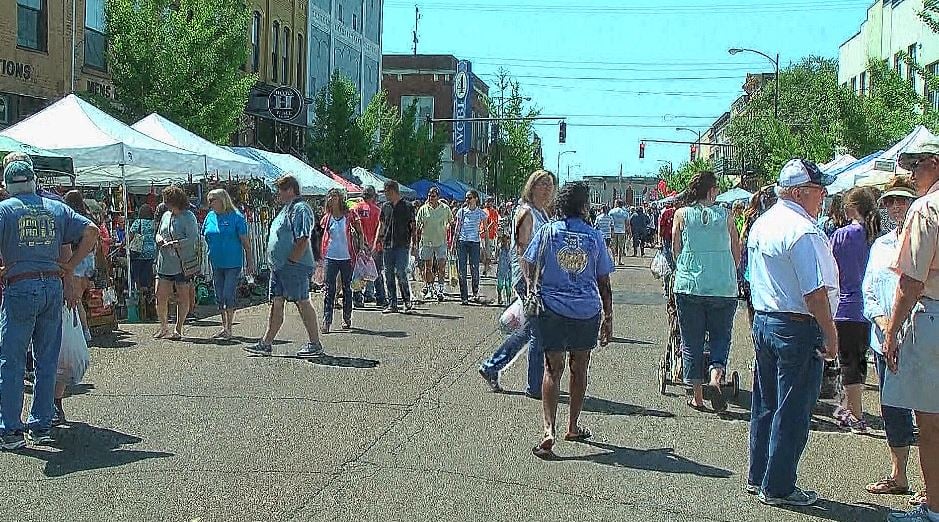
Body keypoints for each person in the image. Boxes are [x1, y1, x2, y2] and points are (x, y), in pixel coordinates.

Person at [746, 158, 839, 506]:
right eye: (819, 191)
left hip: (768, 320)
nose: (823, 197)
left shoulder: (764, 224)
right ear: (801, 192)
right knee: (793, 409)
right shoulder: (802, 230)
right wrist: (831, 334)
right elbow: (813, 292)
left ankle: (760, 476)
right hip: (796, 325)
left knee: (766, 404)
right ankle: (779, 485)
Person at [0, 156, 99, 449]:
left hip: (20, 286)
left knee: (12, 360)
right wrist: (70, 266)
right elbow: (92, 231)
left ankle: (11, 429)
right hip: (51, 286)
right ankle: (41, 424)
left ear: (7, 184)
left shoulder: (5, 211)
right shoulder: (56, 207)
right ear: (33, 180)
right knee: (46, 360)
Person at [529, 182, 614, 459]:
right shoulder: (594, 237)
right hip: (586, 310)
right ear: (583, 206)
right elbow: (604, 280)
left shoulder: (547, 232)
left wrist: (535, 285)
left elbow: (529, 260)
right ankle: (573, 426)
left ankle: (548, 430)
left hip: (552, 307)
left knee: (552, 369)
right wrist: (608, 316)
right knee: (579, 368)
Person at [882, 139, 939, 522]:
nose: (912, 174)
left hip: (932, 315)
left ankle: (934, 507)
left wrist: (891, 329)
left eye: (917, 166)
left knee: (931, 422)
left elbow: (912, 280)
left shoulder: (926, 209)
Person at [861, 176, 926, 505]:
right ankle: (899, 474)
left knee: (926, 411)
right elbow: (868, 289)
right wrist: (884, 324)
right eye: (890, 201)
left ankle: (932, 484)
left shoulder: (924, 238)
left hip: (919, 336)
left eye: (902, 200)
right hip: (884, 339)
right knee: (893, 409)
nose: (896, 206)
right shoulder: (880, 245)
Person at [479, 170, 555, 397]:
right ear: (532, 186)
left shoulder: (543, 212)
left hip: (541, 276)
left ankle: (491, 366)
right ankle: (534, 386)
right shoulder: (526, 212)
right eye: (542, 184)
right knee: (538, 332)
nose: (547, 188)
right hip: (527, 277)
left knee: (530, 329)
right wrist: (529, 282)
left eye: (549, 185)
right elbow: (522, 248)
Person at [671, 171, 740, 412]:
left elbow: (676, 248)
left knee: (692, 341)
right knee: (721, 337)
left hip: (690, 286)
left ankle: (698, 397)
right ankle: (715, 377)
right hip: (722, 286)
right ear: (712, 191)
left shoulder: (681, 214)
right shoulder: (726, 215)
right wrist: (728, 271)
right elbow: (736, 249)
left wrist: (686, 268)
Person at [245, 175, 324, 357]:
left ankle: (315, 344)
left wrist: (291, 261)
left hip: (293, 266)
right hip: (280, 267)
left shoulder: (300, 208)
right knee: (276, 303)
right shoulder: (286, 209)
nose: (277, 193)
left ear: (290, 189)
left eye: (280, 189)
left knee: (302, 302)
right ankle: (266, 343)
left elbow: (303, 238)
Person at [830, 186, 879, 434]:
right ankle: (847, 407)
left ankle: (855, 414)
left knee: (847, 361)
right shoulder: (876, 235)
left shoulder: (841, 235)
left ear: (850, 208)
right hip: (869, 307)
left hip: (845, 305)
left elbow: (830, 266)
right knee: (860, 361)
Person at [202, 188, 254, 339]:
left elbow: (246, 242)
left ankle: (229, 328)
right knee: (219, 295)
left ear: (223, 200)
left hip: (232, 262)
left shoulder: (236, 217)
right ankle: (224, 327)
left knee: (228, 293)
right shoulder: (210, 217)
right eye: (209, 200)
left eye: (213, 200)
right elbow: (204, 236)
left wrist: (250, 261)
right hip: (216, 262)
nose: (210, 203)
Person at [153, 186, 199, 340]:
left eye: (168, 201)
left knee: (183, 296)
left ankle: (178, 328)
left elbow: (193, 238)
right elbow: (159, 232)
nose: (165, 204)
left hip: (182, 263)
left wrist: (176, 243)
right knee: (160, 294)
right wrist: (159, 239)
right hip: (165, 262)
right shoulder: (166, 215)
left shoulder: (189, 216)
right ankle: (163, 327)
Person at [319, 188, 363, 332]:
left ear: (340, 198)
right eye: (330, 196)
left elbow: (359, 231)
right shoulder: (327, 217)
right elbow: (322, 234)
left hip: (347, 257)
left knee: (347, 288)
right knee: (329, 289)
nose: (332, 198)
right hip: (330, 257)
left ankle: (347, 317)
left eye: (335, 196)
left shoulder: (349, 214)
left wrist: (361, 247)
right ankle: (327, 320)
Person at [376, 180, 416, 314]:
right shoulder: (385, 207)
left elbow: (412, 227)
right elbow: (381, 226)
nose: (385, 195)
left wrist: (414, 243)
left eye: (386, 192)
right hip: (387, 245)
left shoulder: (407, 206)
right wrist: (376, 241)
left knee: (400, 272)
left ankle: (407, 300)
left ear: (392, 191)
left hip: (402, 245)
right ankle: (392, 303)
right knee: (388, 274)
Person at [63, 191, 97, 342]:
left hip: (76, 258)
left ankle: (83, 331)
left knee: (76, 298)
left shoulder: (70, 219)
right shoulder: (89, 217)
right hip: (89, 258)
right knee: (82, 295)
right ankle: (85, 329)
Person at [415, 186, 452, 302]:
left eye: (433, 196)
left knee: (441, 267)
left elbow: (451, 222)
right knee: (428, 267)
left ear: (438, 197)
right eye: (429, 196)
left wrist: (448, 229)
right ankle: (430, 288)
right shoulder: (423, 209)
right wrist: (415, 242)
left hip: (441, 241)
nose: (431, 198)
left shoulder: (445, 208)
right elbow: (417, 226)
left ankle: (440, 289)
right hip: (427, 242)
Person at [352, 186, 386, 308]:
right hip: (374, 246)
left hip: (358, 246)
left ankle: (357, 298)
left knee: (358, 273)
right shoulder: (377, 211)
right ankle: (381, 298)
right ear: (373, 196)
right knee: (376, 272)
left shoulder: (355, 209)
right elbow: (381, 230)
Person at [454, 190, 489, 305]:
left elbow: (485, 229)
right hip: (462, 242)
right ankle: (464, 296)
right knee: (462, 270)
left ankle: (475, 292)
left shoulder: (481, 213)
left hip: (475, 243)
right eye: (466, 198)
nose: (467, 200)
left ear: (476, 199)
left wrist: (486, 246)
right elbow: (457, 228)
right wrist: (453, 243)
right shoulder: (461, 212)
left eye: (469, 198)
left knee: (474, 269)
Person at [128, 204, 157, 319]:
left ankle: (140, 295)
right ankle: (147, 294)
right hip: (151, 252)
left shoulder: (138, 222)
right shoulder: (153, 223)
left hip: (138, 251)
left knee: (136, 274)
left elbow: (131, 234)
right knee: (147, 274)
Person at [481, 197, 500, 276]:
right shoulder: (482, 211)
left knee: (488, 253)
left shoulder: (494, 212)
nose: (488, 203)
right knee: (482, 252)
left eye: (490, 202)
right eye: (487, 202)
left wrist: (486, 229)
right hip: (481, 234)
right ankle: (487, 265)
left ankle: (485, 269)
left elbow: (493, 222)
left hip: (490, 235)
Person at [609, 200, 629, 265]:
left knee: (613, 246)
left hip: (613, 231)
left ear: (616, 204)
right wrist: (627, 231)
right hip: (622, 231)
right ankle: (619, 260)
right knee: (621, 247)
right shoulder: (625, 212)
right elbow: (627, 223)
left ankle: (613, 260)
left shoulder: (612, 211)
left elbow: (609, 221)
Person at [495, 232, 512, 306]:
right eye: (504, 239)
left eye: (507, 239)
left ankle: (508, 299)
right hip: (501, 269)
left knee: (508, 286)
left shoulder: (511, 248)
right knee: (500, 285)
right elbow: (496, 256)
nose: (505, 241)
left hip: (508, 269)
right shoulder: (499, 247)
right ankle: (499, 297)